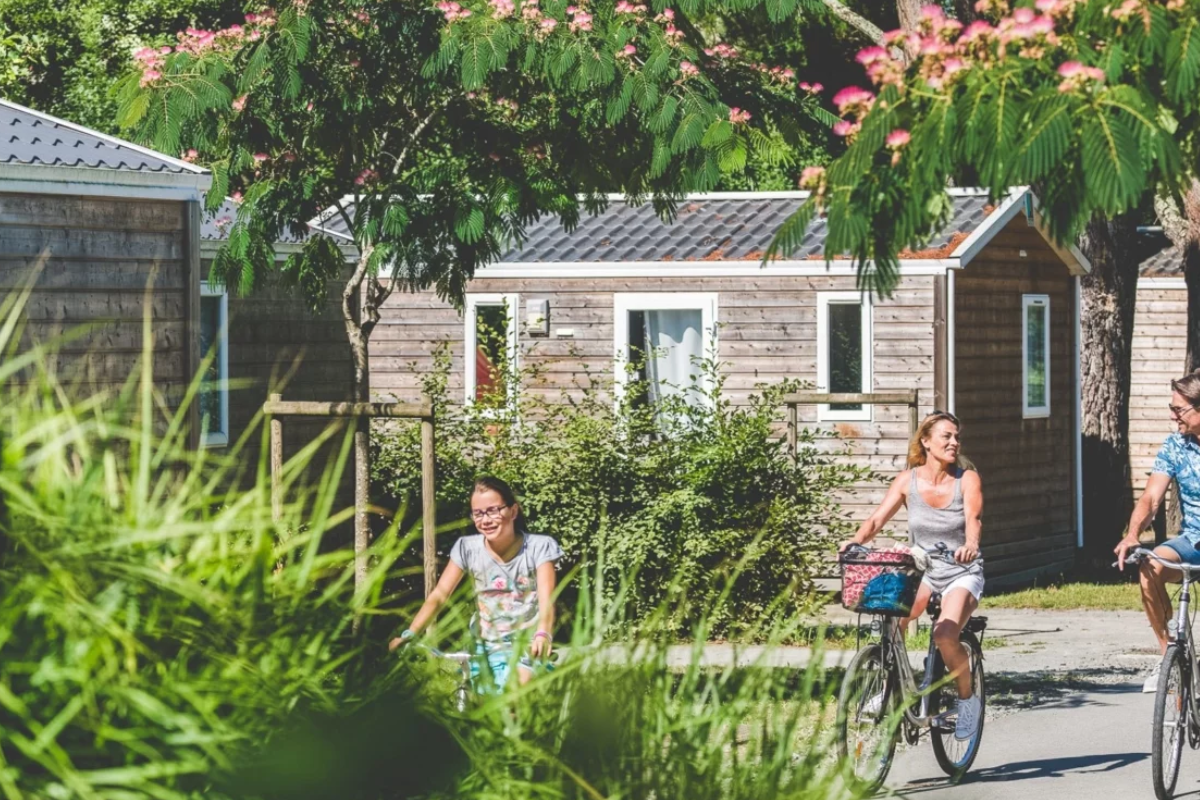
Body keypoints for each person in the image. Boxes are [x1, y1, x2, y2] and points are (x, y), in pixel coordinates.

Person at [840, 410, 985, 740]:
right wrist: (855, 541)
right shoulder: (908, 480)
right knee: (893, 620)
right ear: (926, 442)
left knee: (945, 634)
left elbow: (974, 520)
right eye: (946, 436)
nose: (954, 442)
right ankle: (888, 687)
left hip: (962, 570)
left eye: (956, 437)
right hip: (924, 570)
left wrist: (971, 544)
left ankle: (968, 700)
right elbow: (877, 520)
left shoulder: (967, 479)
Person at [389, 476, 562, 687]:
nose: (485, 520)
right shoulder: (467, 548)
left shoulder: (538, 548)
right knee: (480, 713)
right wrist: (410, 634)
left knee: (514, 699)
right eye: (478, 514)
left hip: (527, 647)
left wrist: (543, 635)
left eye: (493, 510)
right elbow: (440, 595)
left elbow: (547, 601)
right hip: (484, 648)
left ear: (513, 511)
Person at [1115, 371, 1200, 692]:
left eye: (1179, 409)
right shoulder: (1176, 445)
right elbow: (1151, 498)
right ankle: (1170, 658)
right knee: (1150, 565)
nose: (1172, 415)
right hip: (1194, 541)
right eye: (1172, 407)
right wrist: (1133, 533)